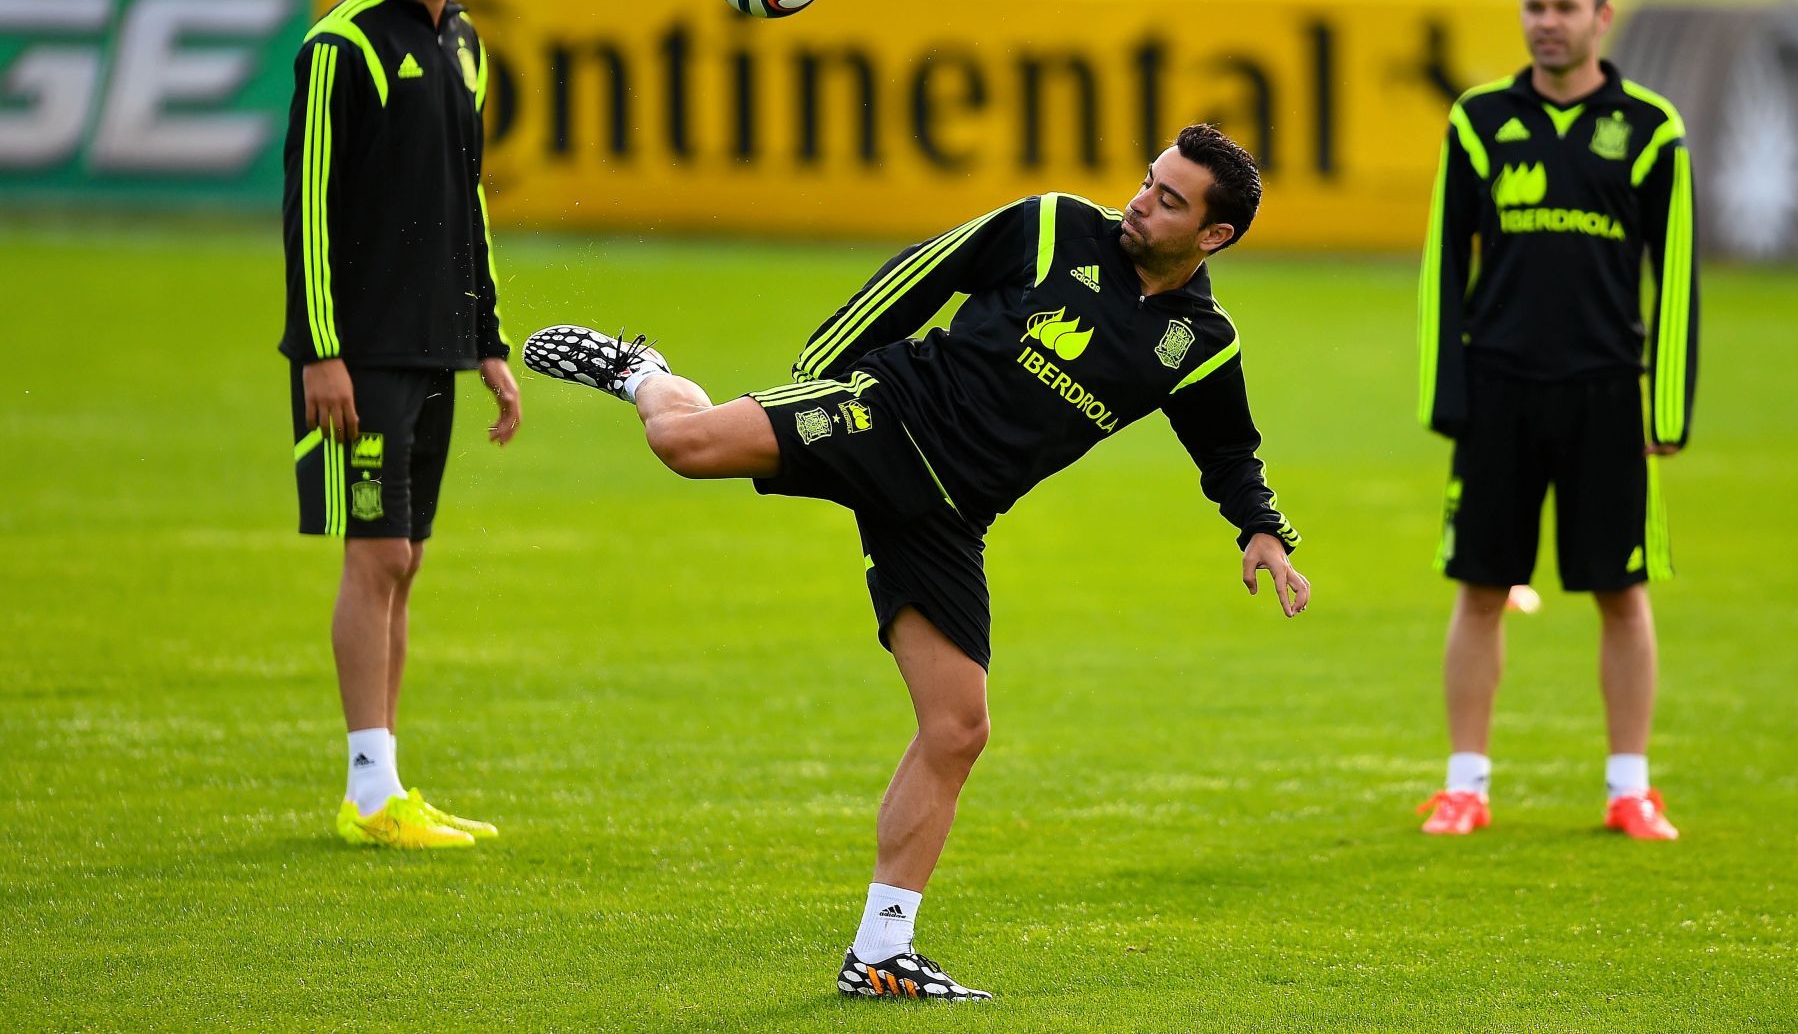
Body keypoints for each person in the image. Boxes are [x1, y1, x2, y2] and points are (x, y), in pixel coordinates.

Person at [521, 124, 1309, 1000]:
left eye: (1169, 198)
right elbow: (924, 270)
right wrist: (824, 369)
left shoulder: (1199, 342)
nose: (1140, 199)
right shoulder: (1055, 224)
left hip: (951, 513)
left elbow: (1228, 447)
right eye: (1148, 180)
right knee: (681, 443)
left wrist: (1262, 530)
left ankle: (879, 953)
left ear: (1214, 236)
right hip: (886, 415)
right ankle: (642, 370)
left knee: (959, 725)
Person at [1415, 0, 1698, 841]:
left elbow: (1679, 273)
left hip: (1609, 393)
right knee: (1481, 588)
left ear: (1601, 18)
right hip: (1499, 389)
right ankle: (1465, 784)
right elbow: (1442, 268)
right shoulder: (1478, 120)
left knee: (1623, 594)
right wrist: (1446, 392)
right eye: (1535, 6)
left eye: (1565, 8)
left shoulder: (1652, 128)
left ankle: (1630, 787)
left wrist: (1669, 409)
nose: (1547, 22)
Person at [279, 0, 521, 849]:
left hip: (436, 349)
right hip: (363, 353)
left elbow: (466, 206)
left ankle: (387, 782)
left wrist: (490, 341)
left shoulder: (461, 40)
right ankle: (367, 791)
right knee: (375, 556)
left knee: (407, 559)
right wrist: (320, 354)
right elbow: (304, 212)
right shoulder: (343, 47)